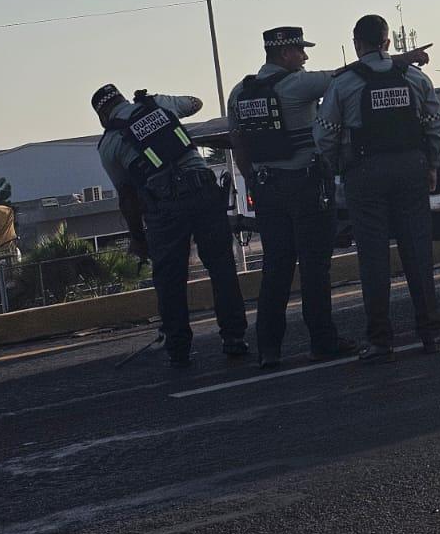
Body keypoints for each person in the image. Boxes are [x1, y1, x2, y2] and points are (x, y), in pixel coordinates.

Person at [228, 26, 359, 371]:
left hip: (267, 187)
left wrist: (253, 180)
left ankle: (269, 349)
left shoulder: (240, 92)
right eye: (300, 51)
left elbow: (238, 144)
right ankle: (322, 342)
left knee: (276, 268)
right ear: (285, 54)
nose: (305, 57)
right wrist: (400, 59)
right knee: (315, 267)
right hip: (305, 187)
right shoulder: (297, 84)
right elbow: (345, 76)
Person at [315, 14, 440, 362]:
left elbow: (325, 133)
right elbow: (434, 123)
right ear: (388, 43)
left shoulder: (343, 84)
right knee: (418, 254)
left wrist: (337, 169)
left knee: (373, 258)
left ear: (357, 44)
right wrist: (431, 164)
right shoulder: (415, 77)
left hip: (365, 173)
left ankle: (380, 341)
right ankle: (431, 335)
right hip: (410, 168)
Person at [93, 84, 248, 368]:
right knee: (222, 268)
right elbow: (195, 102)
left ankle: (178, 349)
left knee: (170, 281)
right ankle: (234, 338)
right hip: (203, 191)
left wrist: (138, 238)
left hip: (165, 206)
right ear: (123, 98)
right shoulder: (157, 104)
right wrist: (159, 108)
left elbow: (127, 197)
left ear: (102, 115)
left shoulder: (110, 142)